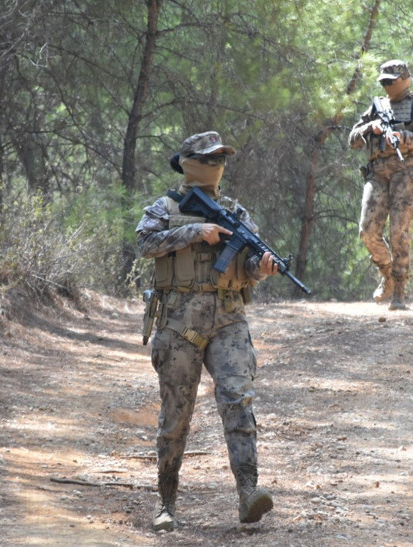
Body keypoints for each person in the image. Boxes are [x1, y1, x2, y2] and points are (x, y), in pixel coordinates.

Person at [136, 131, 279, 531]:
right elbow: (145, 243)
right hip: (179, 324)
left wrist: (261, 270)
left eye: (220, 159)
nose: (216, 166)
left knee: (238, 400)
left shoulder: (236, 212)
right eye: (208, 158)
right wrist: (194, 232)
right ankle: (166, 503)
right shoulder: (165, 208)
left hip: (229, 320)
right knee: (176, 416)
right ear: (187, 162)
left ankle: (248, 492)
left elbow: (248, 266)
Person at [348, 59, 413, 310]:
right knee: (367, 231)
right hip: (377, 173)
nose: (386, 85)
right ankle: (386, 272)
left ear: (404, 79)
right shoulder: (377, 106)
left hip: (406, 172)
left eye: (391, 81)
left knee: (399, 232)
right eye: (383, 81)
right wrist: (370, 128)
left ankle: (399, 291)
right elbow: (352, 139)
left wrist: (403, 137)